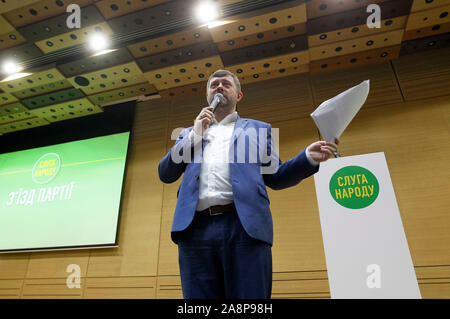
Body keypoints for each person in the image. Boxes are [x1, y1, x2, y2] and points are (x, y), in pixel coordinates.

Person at [158, 69, 339, 299]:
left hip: (245, 228)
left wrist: (308, 158)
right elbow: (165, 173)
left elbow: (277, 176)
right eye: (214, 85)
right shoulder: (188, 133)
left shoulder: (259, 129)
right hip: (195, 232)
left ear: (239, 95)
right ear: (207, 95)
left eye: (226, 84)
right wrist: (195, 135)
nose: (219, 87)